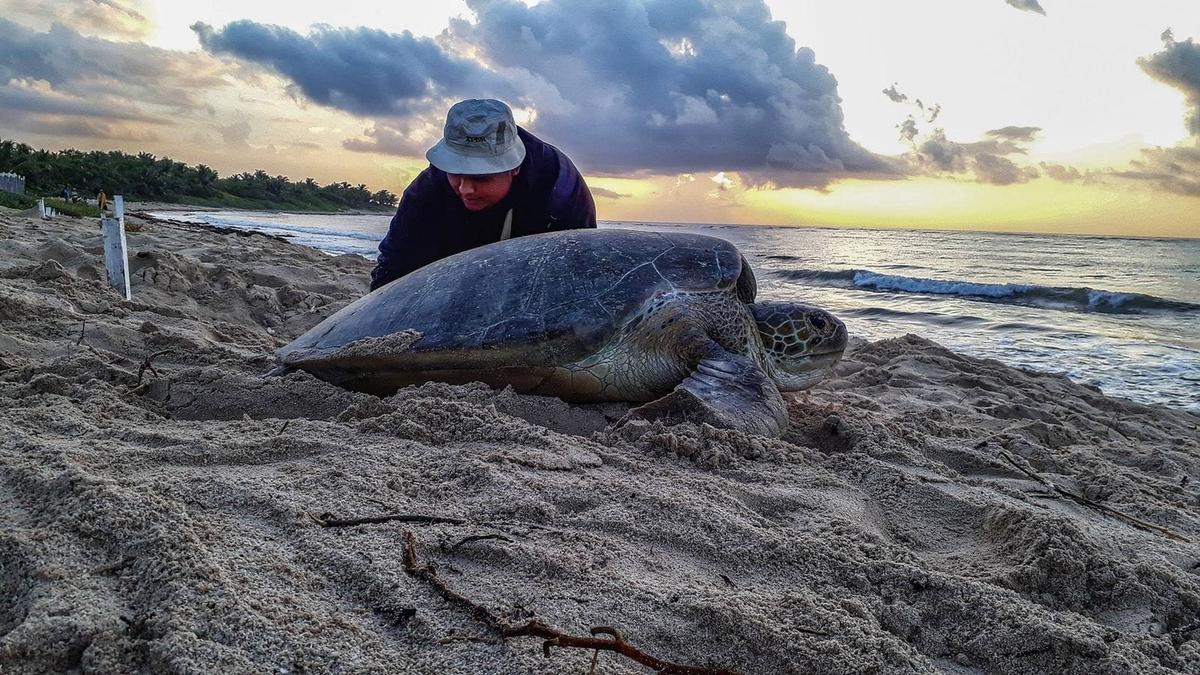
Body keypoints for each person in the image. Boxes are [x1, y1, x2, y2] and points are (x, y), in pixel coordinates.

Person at [369, 98, 596, 290]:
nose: (465, 189)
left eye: (481, 177)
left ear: (514, 167)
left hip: (527, 277)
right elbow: (393, 266)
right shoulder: (426, 191)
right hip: (447, 273)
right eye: (456, 172)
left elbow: (579, 272)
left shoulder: (561, 190)